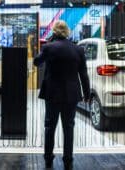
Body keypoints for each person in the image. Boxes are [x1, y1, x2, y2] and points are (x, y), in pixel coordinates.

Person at [34, 20, 90, 170]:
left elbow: (36, 62)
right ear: (67, 32)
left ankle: (48, 157)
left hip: (52, 93)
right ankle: (68, 158)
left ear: (54, 32)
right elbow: (83, 74)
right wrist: (87, 93)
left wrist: (47, 43)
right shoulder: (78, 50)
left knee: (50, 126)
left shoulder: (48, 47)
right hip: (71, 94)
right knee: (69, 127)